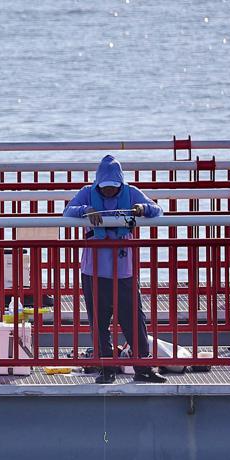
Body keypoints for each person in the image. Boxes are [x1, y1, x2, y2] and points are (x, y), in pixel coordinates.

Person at [63, 155, 164, 384]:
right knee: (99, 322)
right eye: (105, 187)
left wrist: (143, 209)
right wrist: (86, 210)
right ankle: (106, 368)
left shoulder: (131, 192)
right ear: (98, 184)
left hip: (123, 269)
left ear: (121, 184)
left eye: (113, 187)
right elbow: (67, 212)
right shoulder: (87, 193)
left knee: (134, 320)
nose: (109, 191)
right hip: (94, 271)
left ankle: (143, 367)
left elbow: (158, 210)